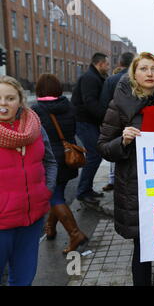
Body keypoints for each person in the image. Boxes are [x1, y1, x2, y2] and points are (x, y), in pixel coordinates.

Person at [98, 52, 154, 286]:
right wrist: (122, 141)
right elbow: (103, 147)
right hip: (136, 186)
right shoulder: (120, 104)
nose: (149, 73)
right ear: (134, 74)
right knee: (143, 246)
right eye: (143, 69)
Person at [0, 75, 57, 286]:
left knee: (23, 280)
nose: (3, 104)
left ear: (20, 101)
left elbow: (50, 161)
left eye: (10, 98)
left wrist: (46, 191)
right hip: (1, 224)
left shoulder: (34, 127)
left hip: (31, 220)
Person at [31, 74, 88, 254]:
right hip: (67, 155)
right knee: (58, 194)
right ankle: (51, 228)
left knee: (54, 197)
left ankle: (75, 234)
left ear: (39, 90)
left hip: (50, 159)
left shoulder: (36, 110)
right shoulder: (68, 106)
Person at [71, 52, 110, 205]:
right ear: (99, 64)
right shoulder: (90, 78)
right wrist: (106, 117)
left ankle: (86, 189)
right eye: (106, 64)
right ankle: (82, 191)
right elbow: (90, 102)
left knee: (95, 154)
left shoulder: (95, 77)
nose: (108, 67)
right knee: (94, 154)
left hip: (90, 122)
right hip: (83, 122)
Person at [99, 52, 135, 192]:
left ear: (120, 63)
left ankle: (112, 179)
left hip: (114, 124)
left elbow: (104, 104)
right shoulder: (119, 82)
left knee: (118, 151)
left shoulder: (111, 80)